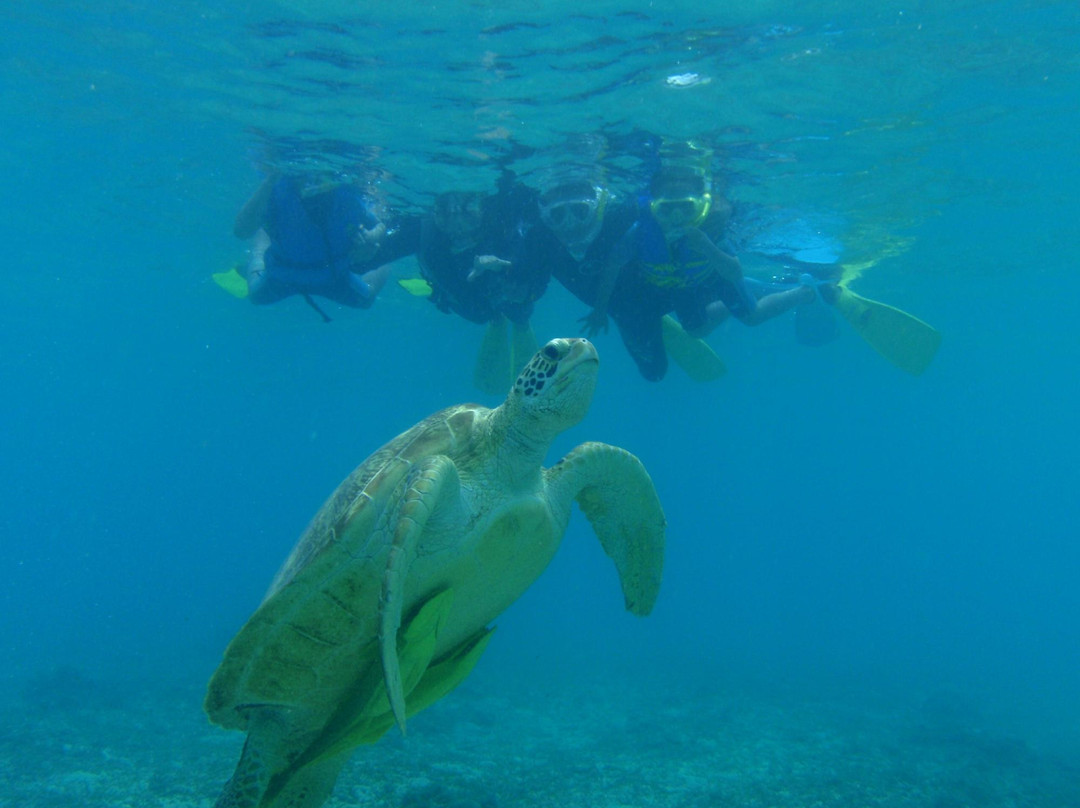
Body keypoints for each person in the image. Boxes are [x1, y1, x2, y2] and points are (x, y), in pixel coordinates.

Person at [417, 176, 551, 393]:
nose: (459, 225)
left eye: (468, 212)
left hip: (504, 280)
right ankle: (500, 320)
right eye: (447, 214)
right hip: (480, 288)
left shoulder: (508, 215)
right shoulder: (439, 238)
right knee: (483, 311)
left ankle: (517, 322)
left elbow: (535, 263)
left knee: (518, 308)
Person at [231, 173, 396, 315]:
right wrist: (271, 178)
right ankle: (260, 245)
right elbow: (241, 231)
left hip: (332, 275)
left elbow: (380, 224)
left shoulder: (347, 196)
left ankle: (386, 258)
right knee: (255, 295)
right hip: (284, 272)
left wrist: (373, 239)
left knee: (366, 299)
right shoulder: (276, 189)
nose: (314, 182)